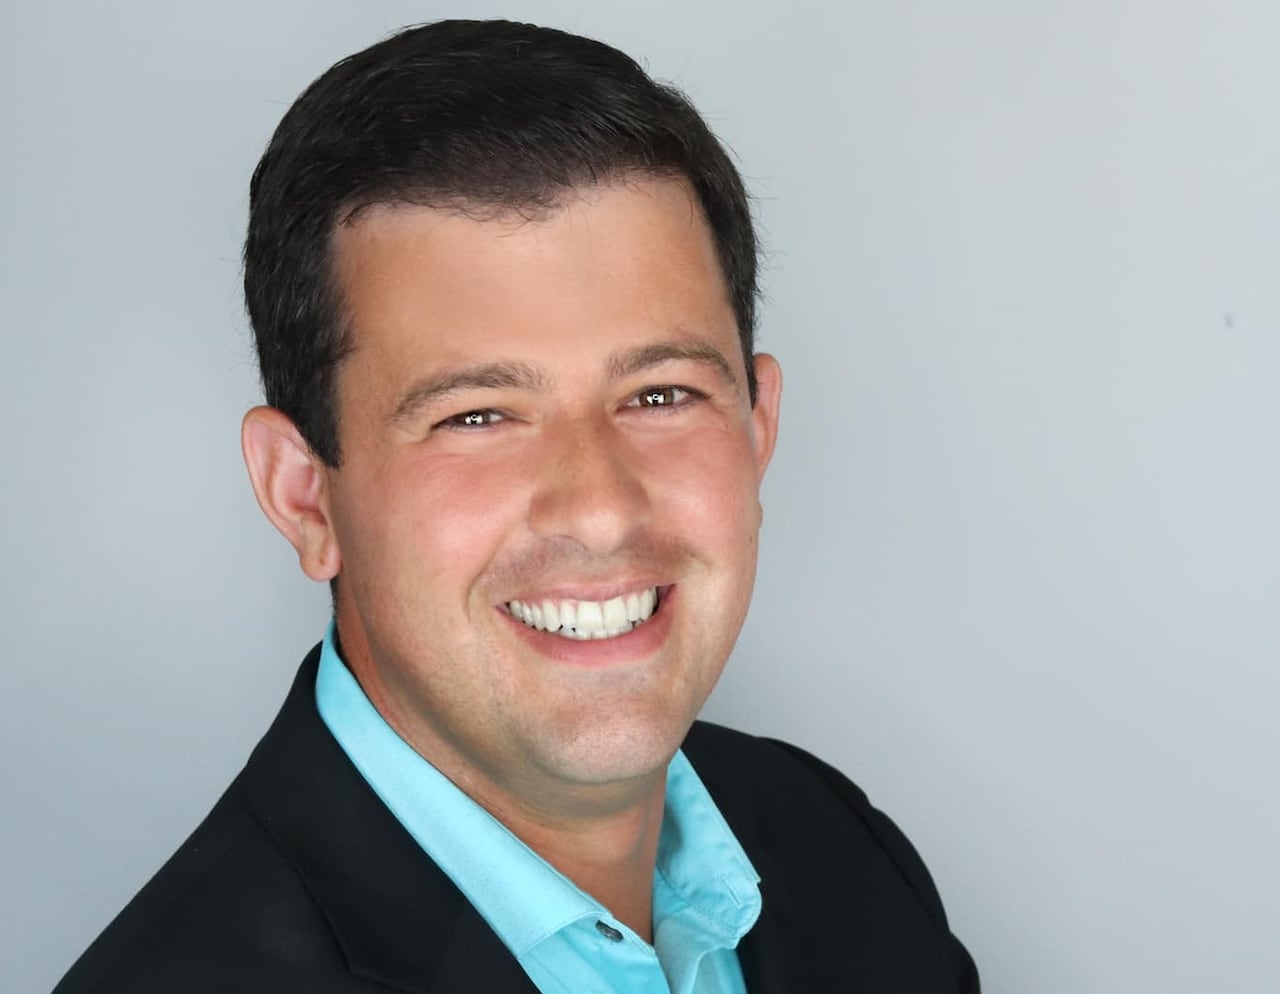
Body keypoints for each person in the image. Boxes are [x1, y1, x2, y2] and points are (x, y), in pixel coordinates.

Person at [53, 19, 979, 993]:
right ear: (302, 495)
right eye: (478, 415)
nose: (599, 510)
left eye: (659, 394)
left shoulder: (833, 844)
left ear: (756, 428)